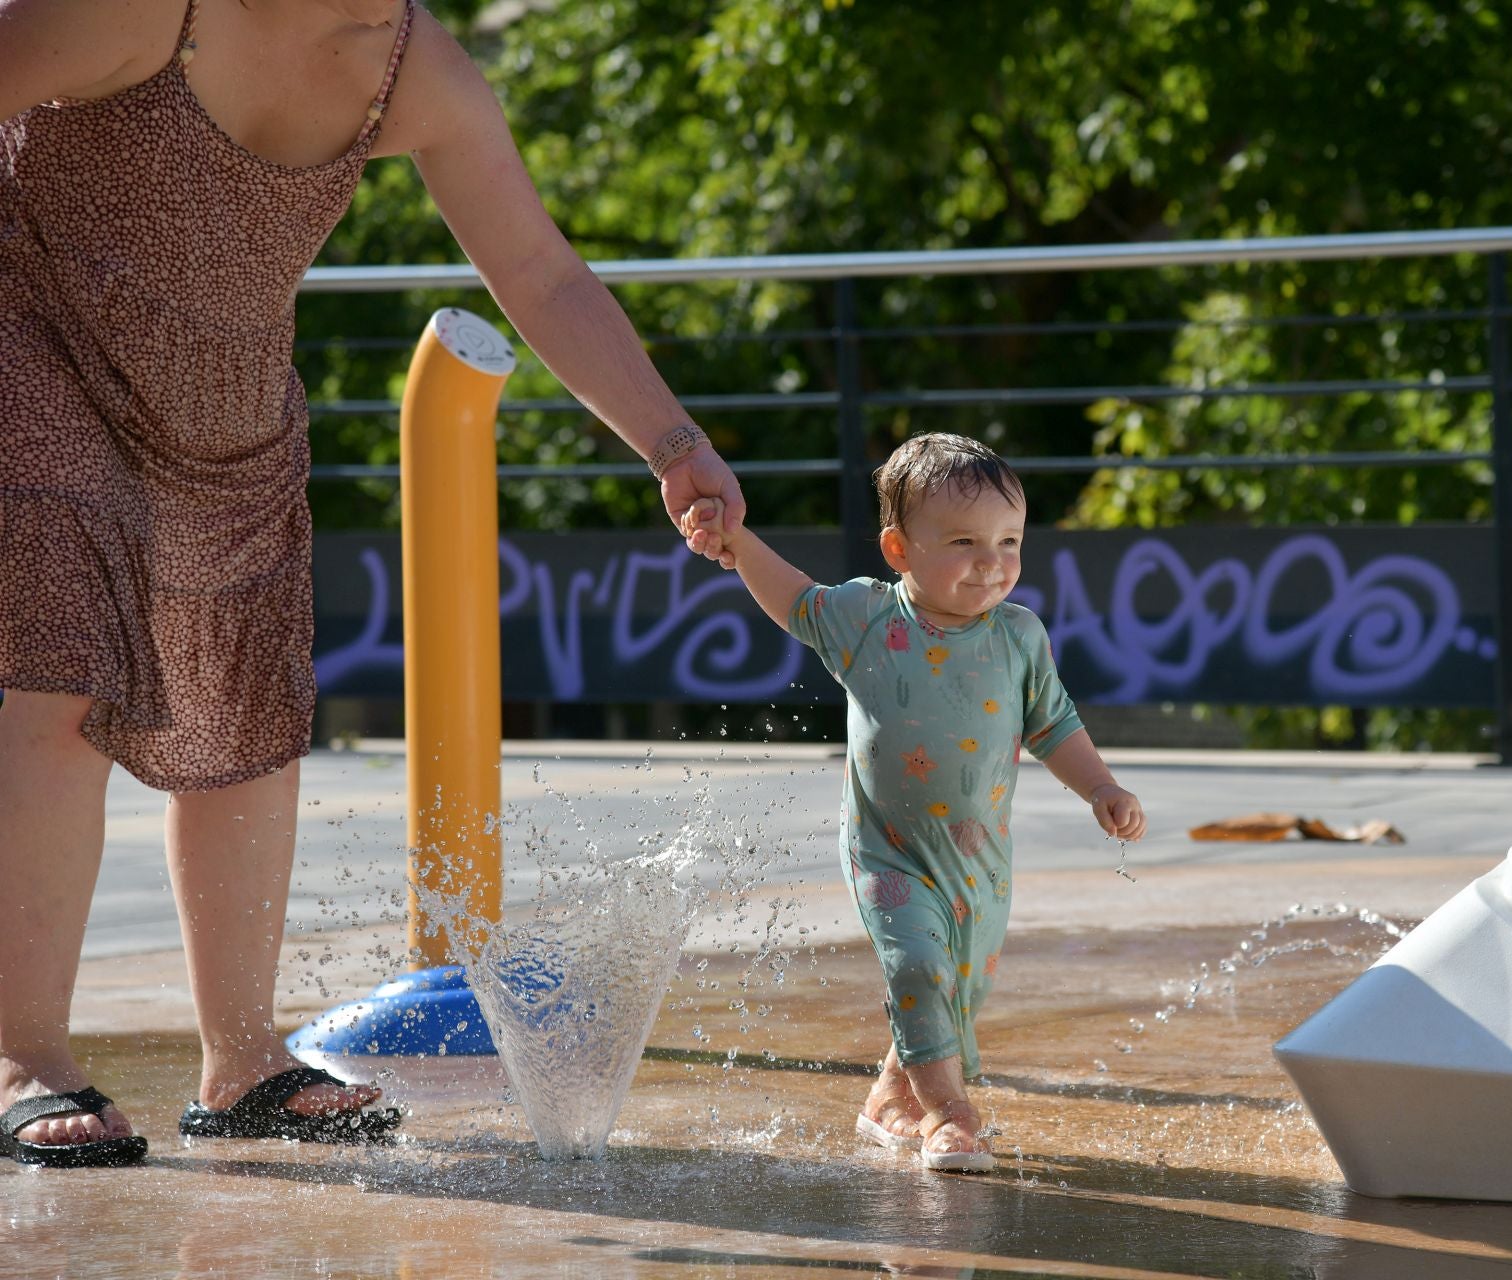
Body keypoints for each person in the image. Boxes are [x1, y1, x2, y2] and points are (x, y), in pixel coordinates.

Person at [0, 0, 741, 1165]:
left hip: (227, 407)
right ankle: (23, 1053)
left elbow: (540, 272)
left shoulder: (411, 67)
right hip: (34, 335)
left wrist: (672, 441)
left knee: (247, 720)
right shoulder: (143, 9)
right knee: (61, 675)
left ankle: (241, 1063)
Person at [680, 432, 1146, 1172]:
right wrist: (737, 544)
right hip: (886, 847)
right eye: (963, 541)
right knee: (917, 967)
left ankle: (889, 1099)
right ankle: (950, 1117)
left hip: (978, 856)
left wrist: (1101, 786)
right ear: (899, 550)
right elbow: (797, 601)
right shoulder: (869, 620)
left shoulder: (1020, 637)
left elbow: (1053, 724)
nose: (991, 561)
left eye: (1008, 541)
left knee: (958, 986)